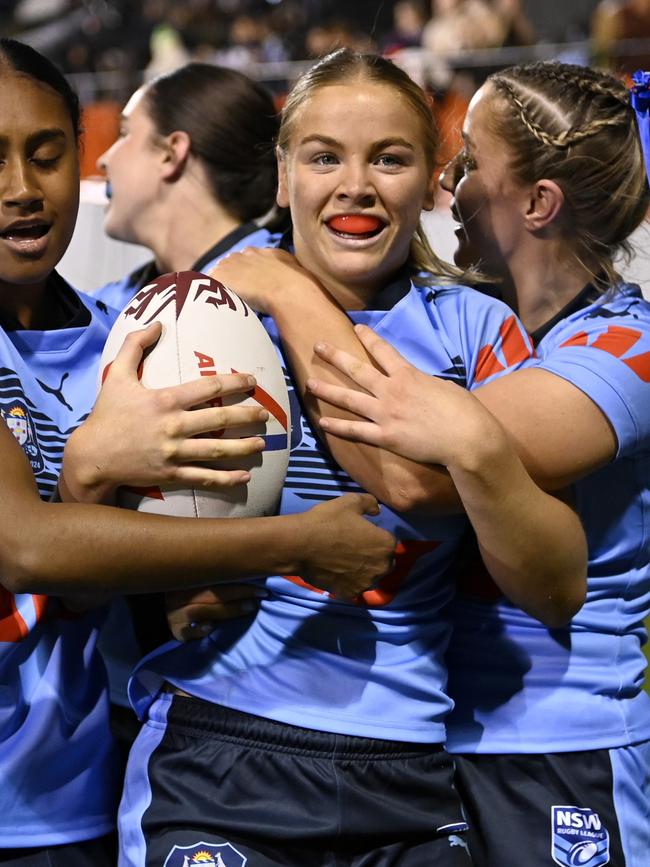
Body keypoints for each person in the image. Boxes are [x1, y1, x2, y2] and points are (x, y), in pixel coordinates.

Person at [111, 49, 587, 867]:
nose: (355, 185)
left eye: (389, 158)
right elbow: (96, 518)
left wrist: (300, 304)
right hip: (218, 747)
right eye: (324, 155)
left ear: (433, 180)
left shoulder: (479, 330)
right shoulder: (192, 313)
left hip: (408, 766)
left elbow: (554, 586)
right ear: (282, 169)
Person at [0, 37, 396, 867]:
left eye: (46, 155)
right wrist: (296, 542)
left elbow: (160, 550)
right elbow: (26, 545)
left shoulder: (126, 334)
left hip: (80, 790)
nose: (22, 191)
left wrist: (186, 579)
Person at [257, 60, 650, 867]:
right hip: (436, 734)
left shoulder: (622, 346)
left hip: (558, 736)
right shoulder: (476, 322)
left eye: (468, 162)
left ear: (537, 203)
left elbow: (421, 477)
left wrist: (285, 288)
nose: (448, 183)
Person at [94, 61, 283, 313]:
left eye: (124, 132)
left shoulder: (286, 290)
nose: (103, 160)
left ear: (170, 154)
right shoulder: (107, 306)